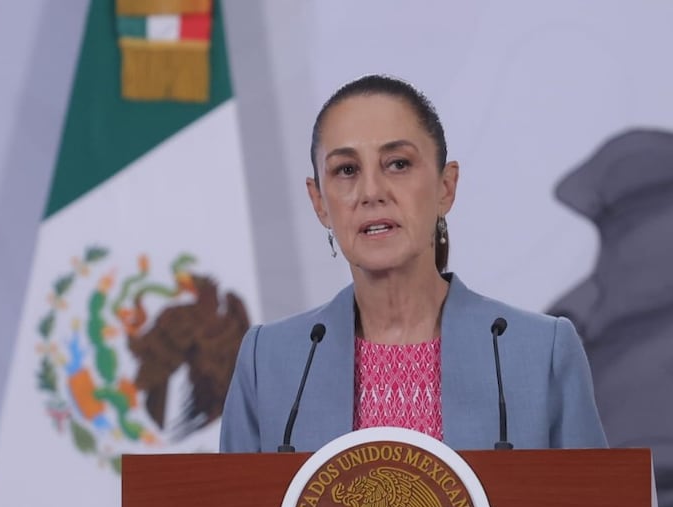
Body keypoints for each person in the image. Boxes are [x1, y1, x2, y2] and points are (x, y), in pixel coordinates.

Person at [219, 74, 607, 454]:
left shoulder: (542, 353)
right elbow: (230, 500)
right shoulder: (267, 362)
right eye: (347, 170)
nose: (372, 192)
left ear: (445, 187)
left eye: (398, 164)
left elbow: (592, 499)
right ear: (319, 201)